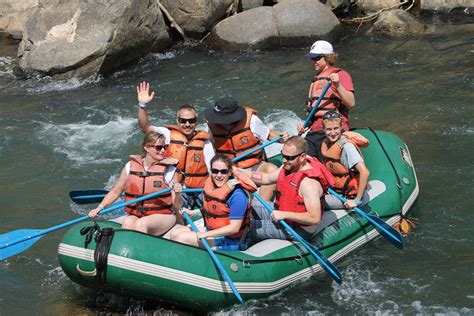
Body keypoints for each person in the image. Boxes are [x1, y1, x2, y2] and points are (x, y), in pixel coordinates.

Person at [239, 136, 335, 242]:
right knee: (246, 207)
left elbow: (314, 218)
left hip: (297, 230)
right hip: (284, 214)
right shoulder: (288, 166)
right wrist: (238, 171)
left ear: (302, 156)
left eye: (289, 158)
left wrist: (284, 214)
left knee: (245, 226)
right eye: (283, 155)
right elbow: (266, 178)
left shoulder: (309, 184)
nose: (284, 160)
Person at [136, 81, 215, 210]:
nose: (187, 124)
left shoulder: (205, 142)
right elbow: (145, 127)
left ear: (197, 121)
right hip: (176, 189)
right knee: (174, 208)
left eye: (191, 121)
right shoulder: (167, 134)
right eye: (183, 121)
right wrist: (142, 105)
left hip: (200, 188)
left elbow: (212, 171)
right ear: (177, 121)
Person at [88, 131, 183, 236]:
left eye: (165, 147)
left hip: (163, 215)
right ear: (146, 147)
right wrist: (99, 208)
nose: (163, 151)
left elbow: (177, 205)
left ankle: (142, 251)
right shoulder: (130, 166)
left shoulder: (169, 171)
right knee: (128, 222)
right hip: (138, 214)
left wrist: (178, 193)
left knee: (141, 224)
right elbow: (116, 191)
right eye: (158, 147)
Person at [205, 96, 289, 201]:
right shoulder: (211, 126)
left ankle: (260, 207)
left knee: (271, 170)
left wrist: (281, 138)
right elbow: (209, 150)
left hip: (255, 166)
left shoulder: (251, 120)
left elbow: (268, 134)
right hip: (230, 170)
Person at [169, 154, 257, 250]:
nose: (219, 175)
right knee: (175, 232)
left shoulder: (238, 196)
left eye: (223, 172)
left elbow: (234, 228)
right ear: (211, 172)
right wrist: (194, 212)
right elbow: (216, 208)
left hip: (233, 241)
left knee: (181, 238)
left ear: (230, 173)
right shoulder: (212, 187)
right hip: (215, 231)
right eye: (215, 171)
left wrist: (206, 234)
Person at [297, 40, 356, 160]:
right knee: (305, 163)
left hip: (331, 131)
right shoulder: (316, 79)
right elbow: (314, 109)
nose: (314, 62)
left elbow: (351, 103)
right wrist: (305, 125)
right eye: (312, 59)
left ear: (328, 57)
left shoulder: (340, 75)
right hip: (314, 132)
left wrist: (338, 84)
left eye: (317, 58)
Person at [321, 111, 370, 209]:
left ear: (341, 126)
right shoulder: (327, 144)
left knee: (314, 202)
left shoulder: (347, 147)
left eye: (336, 128)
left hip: (349, 196)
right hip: (336, 190)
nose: (333, 133)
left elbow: (365, 172)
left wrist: (356, 200)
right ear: (323, 129)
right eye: (329, 129)